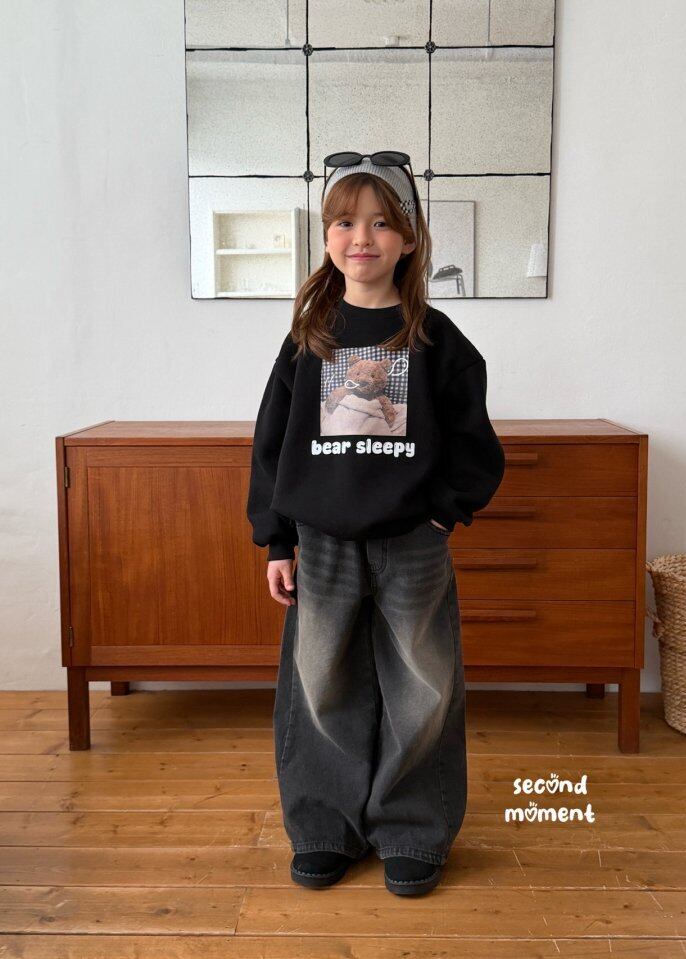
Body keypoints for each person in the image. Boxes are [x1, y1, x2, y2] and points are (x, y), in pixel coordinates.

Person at [246, 150, 505, 896]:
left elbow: (474, 444)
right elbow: (271, 445)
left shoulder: (438, 339)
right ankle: (325, 827)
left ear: (411, 237)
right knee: (321, 683)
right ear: (327, 236)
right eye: (345, 222)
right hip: (321, 542)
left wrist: (442, 512)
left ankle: (414, 830)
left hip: (413, 543)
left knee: (423, 686)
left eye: (383, 223)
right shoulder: (308, 337)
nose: (362, 237)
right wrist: (277, 537)